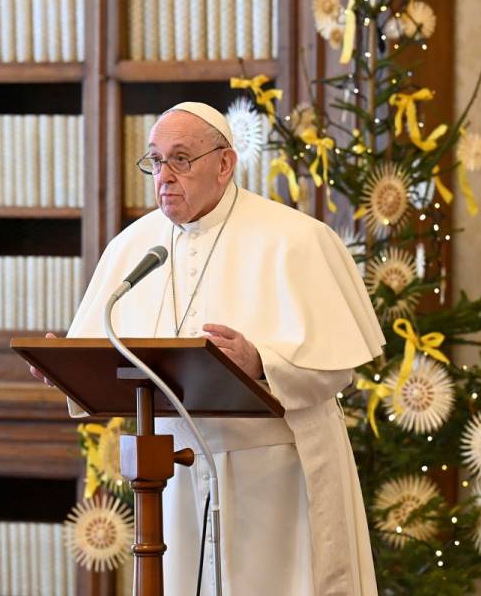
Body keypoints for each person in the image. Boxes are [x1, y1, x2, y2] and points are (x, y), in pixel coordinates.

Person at [29, 102, 384, 595]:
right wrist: (68, 365)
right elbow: (109, 350)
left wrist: (261, 361)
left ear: (224, 164)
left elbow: (335, 369)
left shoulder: (295, 240)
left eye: (181, 159)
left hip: (274, 477)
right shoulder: (134, 247)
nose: (164, 176)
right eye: (155, 160)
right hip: (172, 480)